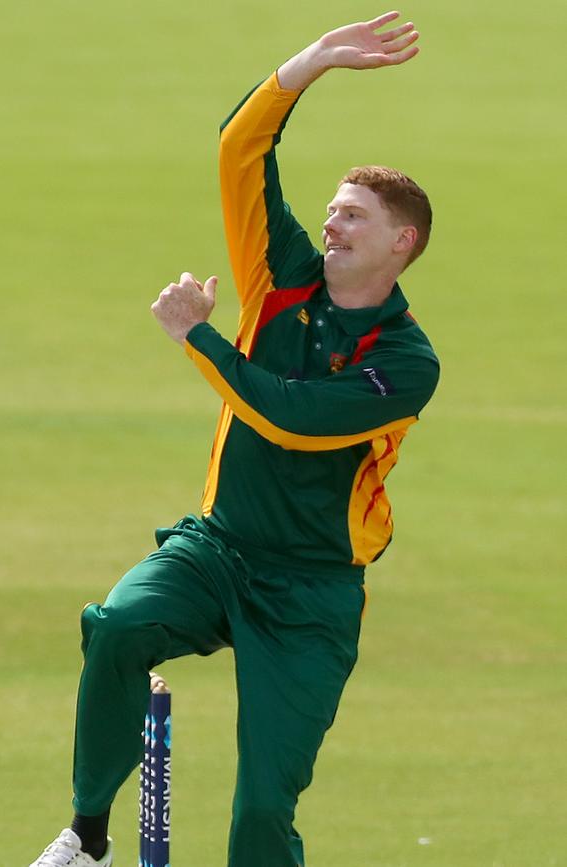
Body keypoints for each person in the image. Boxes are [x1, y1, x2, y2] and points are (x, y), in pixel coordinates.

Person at [29, 11, 439, 867]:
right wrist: (312, 64)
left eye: (354, 216)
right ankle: (89, 836)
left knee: (261, 816)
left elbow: (289, 414)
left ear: (402, 243)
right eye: (331, 209)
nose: (331, 223)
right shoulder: (279, 272)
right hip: (216, 549)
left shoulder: (407, 362)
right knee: (116, 630)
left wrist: (200, 338)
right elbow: (239, 152)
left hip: (313, 593)